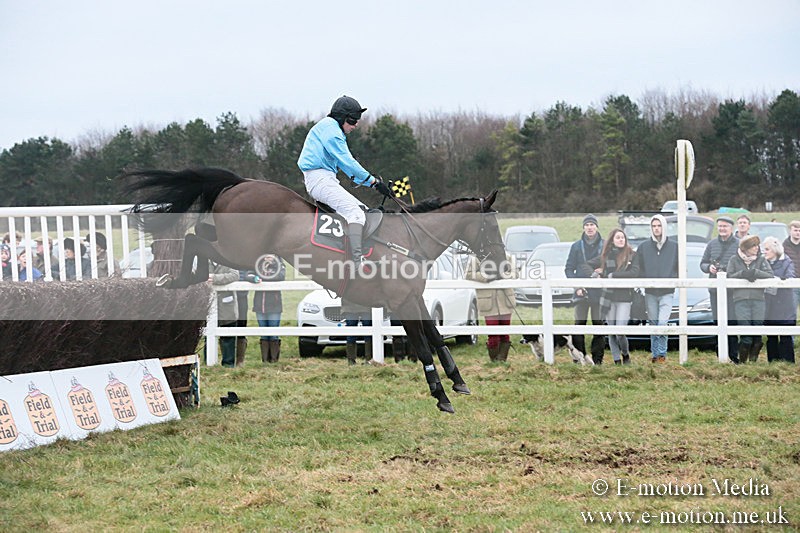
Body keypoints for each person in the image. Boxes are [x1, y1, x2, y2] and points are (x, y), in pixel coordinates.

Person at [297, 95, 393, 265]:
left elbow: (348, 167)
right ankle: (357, 262)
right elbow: (348, 163)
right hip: (320, 179)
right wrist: (374, 182)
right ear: (341, 118)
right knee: (356, 214)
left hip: (325, 178)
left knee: (363, 211)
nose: (355, 125)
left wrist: (372, 183)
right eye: (352, 120)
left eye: (357, 120)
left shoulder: (330, 128)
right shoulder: (332, 132)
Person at [583, 228, 640, 365]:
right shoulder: (605, 256)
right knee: (611, 331)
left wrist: (613, 275)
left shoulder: (632, 255)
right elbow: (586, 265)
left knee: (620, 331)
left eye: (623, 237)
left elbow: (634, 272)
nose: (621, 239)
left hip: (625, 298)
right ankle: (616, 360)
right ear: (612, 241)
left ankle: (625, 355)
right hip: (608, 298)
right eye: (618, 237)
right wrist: (595, 274)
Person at [634, 214, 678, 363]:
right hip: (650, 292)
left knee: (662, 323)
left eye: (659, 226)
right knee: (653, 323)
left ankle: (662, 355)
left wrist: (673, 280)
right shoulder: (644, 247)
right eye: (654, 226)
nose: (656, 229)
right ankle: (654, 354)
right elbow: (639, 267)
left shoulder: (674, 246)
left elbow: (678, 267)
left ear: (664, 227)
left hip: (667, 291)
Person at [565, 214, 606, 364]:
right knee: (579, 325)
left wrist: (603, 272)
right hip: (581, 292)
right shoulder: (576, 246)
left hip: (599, 292)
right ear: (583, 227)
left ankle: (597, 359)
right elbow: (569, 269)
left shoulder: (605, 245)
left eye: (592, 224)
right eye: (587, 225)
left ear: (597, 227)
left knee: (599, 326)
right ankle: (579, 357)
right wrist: (577, 286)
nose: (590, 227)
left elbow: (610, 265)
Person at [726, 235, 773, 363]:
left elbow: (770, 274)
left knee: (757, 332)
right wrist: (742, 274)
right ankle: (742, 362)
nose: (757, 248)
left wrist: (755, 273)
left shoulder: (761, 260)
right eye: (754, 246)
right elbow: (729, 276)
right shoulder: (734, 260)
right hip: (740, 300)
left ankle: (753, 362)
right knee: (745, 333)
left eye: (757, 245)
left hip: (758, 299)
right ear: (746, 248)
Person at [700, 216, 740, 362]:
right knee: (717, 322)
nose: (722, 229)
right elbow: (702, 263)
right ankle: (720, 355)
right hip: (715, 290)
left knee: (732, 322)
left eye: (725, 226)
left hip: (733, 291)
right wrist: (709, 268)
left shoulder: (738, 244)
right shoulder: (711, 244)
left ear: (731, 228)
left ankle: (734, 356)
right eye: (720, 226)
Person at [464, 253, 517, 362]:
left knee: (505, 334)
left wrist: (502, 276)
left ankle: (502, 361)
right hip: (488, 302)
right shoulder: (476, 258)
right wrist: (488, 277)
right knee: (493, 334)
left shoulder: (507, 257)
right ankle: (494, 361)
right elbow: (468, 274)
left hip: (505, 300)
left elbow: (515, 273)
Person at [762, 237, 796, 363]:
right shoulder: (763, 262)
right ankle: (773, 363)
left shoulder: (787, 262)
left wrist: (775, 280)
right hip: (769, 304)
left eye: (767, 249)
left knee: (785, 336)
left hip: (784, 305)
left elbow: (790, 277)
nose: (764, 252)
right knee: (771, 336)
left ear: (774, 250)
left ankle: (788, 363)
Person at [252, 255, 286, 364]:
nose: (268, 257)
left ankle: (274, 360)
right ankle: (265, 360)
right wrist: (254, 278)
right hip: (259, 305)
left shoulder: (279, 266)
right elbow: (248, 274)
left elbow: (281, 276)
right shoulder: (257, 264)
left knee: (273, 332)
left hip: (274, 305)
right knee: (263, 333)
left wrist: (263, 277)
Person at [209, 261, 240, 368]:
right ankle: (208, 362)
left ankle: (228, 363)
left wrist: (215, 278)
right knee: (208, 335)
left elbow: (235, 275)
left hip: (227, 306)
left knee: (228, 335)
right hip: (208, 304)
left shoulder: (228, 260)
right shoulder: (203, 260)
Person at [341, 297, 374, 365]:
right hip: (349, 305)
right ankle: (351, 360)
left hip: (366, 304)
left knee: (368, 332)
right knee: (351, 333)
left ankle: (369, 359)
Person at [782, 220, 800, 315]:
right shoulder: (784, 247)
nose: (798, 233)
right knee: (791, 311)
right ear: (790, 231)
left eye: (799, 230)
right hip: (792, 283)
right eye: (795, 230)